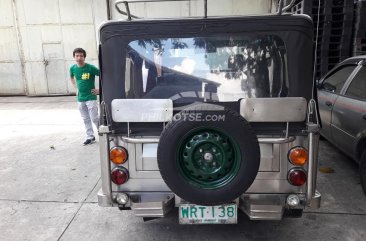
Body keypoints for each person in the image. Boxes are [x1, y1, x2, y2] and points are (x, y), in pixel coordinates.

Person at [70, 48, 100, 145]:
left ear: (84, 57)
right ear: (74, 57)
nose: (79, 58)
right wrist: (76, 87)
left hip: (91, 97)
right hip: (80, 98)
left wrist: (100, 90)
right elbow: (71, 77)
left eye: (81, 56)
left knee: (94, 118)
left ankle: (102, 133)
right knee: (85, 118)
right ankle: (90, 136)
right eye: (77, 56)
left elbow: (104, 75)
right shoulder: (73, 68)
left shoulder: (91, 68)